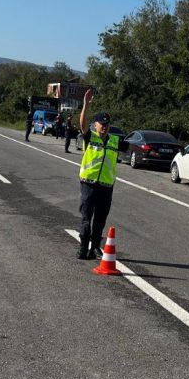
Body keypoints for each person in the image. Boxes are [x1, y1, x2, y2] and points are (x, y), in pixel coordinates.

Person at [75, 89, 128, 260]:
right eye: (101, 124)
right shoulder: (90, 137)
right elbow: (82, 123)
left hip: (106, 186)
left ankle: (95, 247)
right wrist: (85, 105)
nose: (104, 127)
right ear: (95, 125)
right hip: (89, 184)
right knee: (86, 218)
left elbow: (131, 147)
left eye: (106, 124)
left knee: (100, 219)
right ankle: (83, 248)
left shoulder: (114, 140)